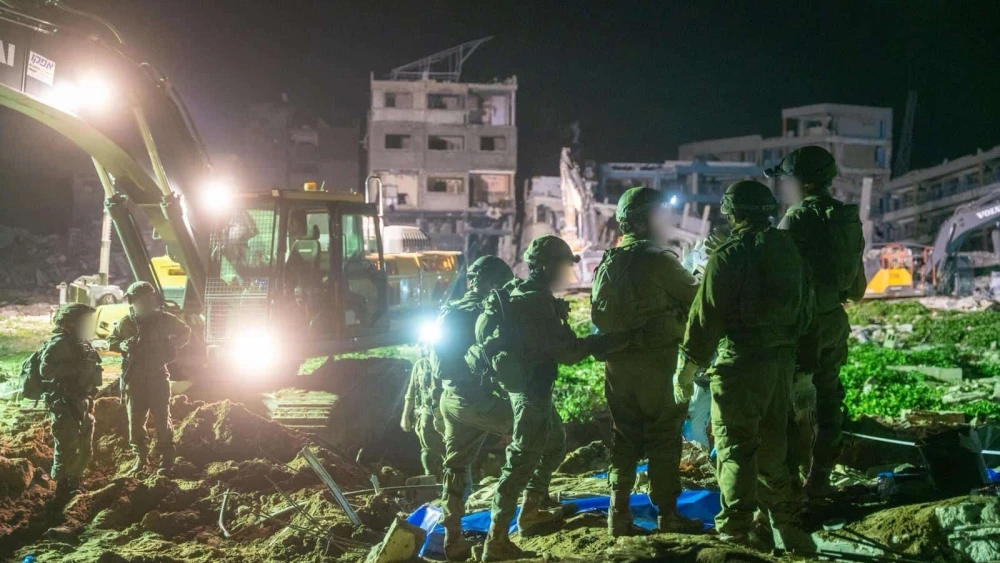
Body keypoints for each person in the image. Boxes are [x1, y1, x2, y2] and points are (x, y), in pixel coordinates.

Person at [674, 181, 813, 551]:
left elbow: (705, 319)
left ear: (731, 212)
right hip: (781, 363)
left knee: (736, 447)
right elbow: (807, 309)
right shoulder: (789, 250)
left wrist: (687, 368)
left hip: (740, 363)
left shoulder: (728, 256)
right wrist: (802, 370)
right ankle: (790, 531)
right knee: (773, 448)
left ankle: (734, 533)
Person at [478, 236, 629, 562]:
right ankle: (496, 541)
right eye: (563, 266)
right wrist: (599, 344)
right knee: (520, 462)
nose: (567, 273)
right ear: (546, 266)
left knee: (556, 442)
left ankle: (533, 507)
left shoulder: (525, 293)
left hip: (533, 389)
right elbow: (567, 351)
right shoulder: (534, 302)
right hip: (530, 393)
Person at [591, 187, 702, 536]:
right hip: (655, 364)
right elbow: (697, 298)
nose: (667, 221)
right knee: (664, 436)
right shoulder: (658, 259)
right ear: (645, 219)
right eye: (660, 214)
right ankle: (667, 514)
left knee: (623, 438)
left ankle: (618, 514)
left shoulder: (608, 262)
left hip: (617, 367)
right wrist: (700, 270)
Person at [767, 146, 866, 497]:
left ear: (802, 182)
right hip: (833, 322)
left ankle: (792, 479)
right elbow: (856, 287)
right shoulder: (845, 218)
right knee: (828, 399)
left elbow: (777, 278)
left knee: (791, 402)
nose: (783, 187)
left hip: (802, 326)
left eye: (787, 180)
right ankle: (820, 477)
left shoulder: (795, 218)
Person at [433, 255, 520, 561]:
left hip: (450, 399)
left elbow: (436, 364)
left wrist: (434, 405)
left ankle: (453, 539)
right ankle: (522, 521)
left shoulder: (449, 310)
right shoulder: (487, 312)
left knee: (456, 468)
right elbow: (504, 362)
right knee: (540, 436)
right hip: (477, 399)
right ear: (493, 283)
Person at [108, 281, 191, 477]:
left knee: (162, 419)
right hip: (134, 378)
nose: (146, 303)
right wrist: (123, 346)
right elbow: (112, 341)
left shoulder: (163, 319)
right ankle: (141, 459)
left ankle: (166, 460)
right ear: (133, 301)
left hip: (157, 376)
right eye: (141, 300)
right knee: (135, 422)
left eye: (149, 299)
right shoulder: (126, 323)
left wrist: (172, 344)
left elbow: (185, 331)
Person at [41, 304, 102, 504]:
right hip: (65, 403)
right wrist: (75, 369)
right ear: (70, 324)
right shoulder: (58, 345)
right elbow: (46, 370)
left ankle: (74, 481)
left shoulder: (84, 344)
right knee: (66, 447)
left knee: (85, 447)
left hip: (84, 402)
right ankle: (61, 489)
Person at [400, 346, 445, 477]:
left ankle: (452, 485)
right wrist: (405, 416)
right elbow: (411, 392)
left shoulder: (446, 362)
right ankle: (431, 481)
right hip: (426, 413)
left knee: (450, 451)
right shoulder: (419, 366)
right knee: (427, 452)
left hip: (445, 412)